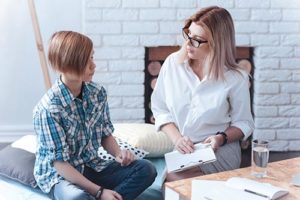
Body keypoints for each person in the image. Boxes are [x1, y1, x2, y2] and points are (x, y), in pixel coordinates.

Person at [33, 31, 157, 200]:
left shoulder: (97, 93)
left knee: (146, 169)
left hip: (92, 165)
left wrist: (119, 154)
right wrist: (99, 192)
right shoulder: (48, 109)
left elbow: (105, 135)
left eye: (92, 57)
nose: (93, 65)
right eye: (86, 60)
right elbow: (60, 164)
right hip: (61, 175)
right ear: (66, 64)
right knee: (76, 197)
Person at [151, 6, 254, 178]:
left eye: (197, 39)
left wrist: (220, 138)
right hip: (184, 147)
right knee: (177, 179)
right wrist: (177, 139)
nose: (189, 43)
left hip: (219, 149)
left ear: (216, 44)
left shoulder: (236, 78)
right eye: (188, 35)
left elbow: (244, 123)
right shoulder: (172, 64)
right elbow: (160, 109)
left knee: (176, 179)